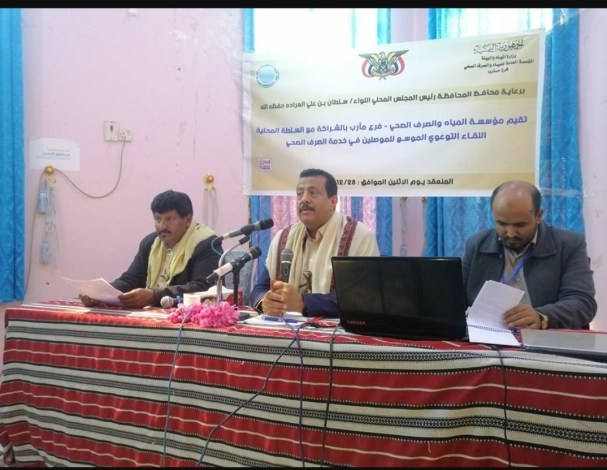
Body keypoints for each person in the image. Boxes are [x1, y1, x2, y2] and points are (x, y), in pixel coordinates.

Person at [462, 180, 597, 330]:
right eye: (502, 224)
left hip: (544, 338)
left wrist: (542, 317)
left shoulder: (569, 245)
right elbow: (456, 298)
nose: (511, 233)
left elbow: (583, 303)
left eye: (520, 225)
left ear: (538, 216)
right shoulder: (477, 244)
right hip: (487, 335)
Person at [250, 168, 380, 318]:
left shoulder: (358, 237)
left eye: (313, 193)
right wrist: (265, 302)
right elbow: (259, 289)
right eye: (300, 194)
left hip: (336, 330)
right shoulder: (283, 239)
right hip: (288, 328)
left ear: (333, 201)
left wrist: (304, 303)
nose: (304, 199)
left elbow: (364, 297)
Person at [80, 189, 222, 309]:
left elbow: (204, 288)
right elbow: (130, 280)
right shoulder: (150, 243)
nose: (162, 226)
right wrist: (99, 294)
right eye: (158, 219)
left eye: (169, 219)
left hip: (185, 318)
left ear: (188, 220)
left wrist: (154, 295)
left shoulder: (207, 244)